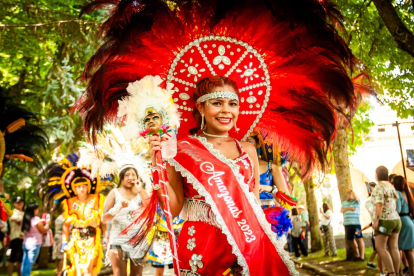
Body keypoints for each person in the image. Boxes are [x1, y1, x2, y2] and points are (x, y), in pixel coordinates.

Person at [39, 154, 111, 276]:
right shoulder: (69, 203)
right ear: (74, 188)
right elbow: (66, 225)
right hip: (76, 239)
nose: (81, 189)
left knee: (89, 271)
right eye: (78, 187)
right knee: (78, 271)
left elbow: (103, 221)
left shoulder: (98, 200)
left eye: (84, 186)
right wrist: (64, 242)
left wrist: (106, 237)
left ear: (88, 187)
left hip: (92, 238)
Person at [102, 166, 150, 276]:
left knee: (137, 275)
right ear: (121, 178)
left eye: (133, 175)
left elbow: (149, 211)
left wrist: (140, 190)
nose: (130, 177)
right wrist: (117, 208)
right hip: (118, 240)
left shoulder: (141, 193)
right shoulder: (114, 193)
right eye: (127, 175)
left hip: (138, 241)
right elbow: (104, 219)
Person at [371, 166, 401, 276]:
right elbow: (396, 203)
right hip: (396, 219)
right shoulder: (391, 186)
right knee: (394, 247)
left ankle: (392, 273)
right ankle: (397, 273)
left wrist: (376, 220)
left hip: (384, 219)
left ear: (377, 175)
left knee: (380, 247)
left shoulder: (379, 187)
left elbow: (379, 204)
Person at [21, 203, 50, 276]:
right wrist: (47, 224)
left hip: (26, 243)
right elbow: (43, 230)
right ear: (34, 210)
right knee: (29, 263)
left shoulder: (25, 219)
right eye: (37, 209)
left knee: (25, 263)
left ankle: (23, 274)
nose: (38, 210)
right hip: (34, 244)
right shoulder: (36, 219)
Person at [394, 175, 414, 276]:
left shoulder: (397, 193)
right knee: (409, 250)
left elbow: (397, 210)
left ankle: (399, 273)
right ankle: (412, 272)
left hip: (402, 222)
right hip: (409, 221)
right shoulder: (407, 193)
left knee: (397, 248)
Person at [341, 189, 365, 261]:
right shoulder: (344, 203)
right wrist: (349, 208)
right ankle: (356, 255)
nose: (349, 195)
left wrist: (352, 191)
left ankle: (362, 256)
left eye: (350, 194)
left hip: (356, 223)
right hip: (347, 224)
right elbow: (342, 210)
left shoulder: (357, 202)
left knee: (359, 239)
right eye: (348, 194)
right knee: (351, 240)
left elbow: (356, 197)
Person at [7, 197, 24, 276]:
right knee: (13, 258)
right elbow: (20, 221)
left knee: (20, 258)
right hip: (15, 237)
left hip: (22, 238)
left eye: (21, 202)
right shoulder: (13, 212)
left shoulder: (23, 213)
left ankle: (19, 274)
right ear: (14, 204)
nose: (19, 204)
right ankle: (9, 275)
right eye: (17, 202)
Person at [52, 209, 65, 276]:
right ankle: (59, 272)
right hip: (61, 237)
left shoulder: (58, 218)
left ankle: (57, 271)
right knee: (61, 256)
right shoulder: (63, 219)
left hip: (57, 237)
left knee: (57, 256)